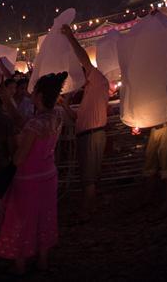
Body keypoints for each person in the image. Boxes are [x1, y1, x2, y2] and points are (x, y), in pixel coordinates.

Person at [0, 72, 68, 275]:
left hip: (28, 180)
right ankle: (43, 260)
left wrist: (10, 151)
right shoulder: (56, 115)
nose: (31, 93)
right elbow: (21, 120)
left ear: (40, 95)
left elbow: (19, 158)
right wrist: (6, 99)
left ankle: (20, 265)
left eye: (34, 91)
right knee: (45, 216)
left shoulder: (35, 124)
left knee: (21, 220)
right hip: (48, 175)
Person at [60, 24, 110, 213]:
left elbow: (83, 58)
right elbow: (79, 117)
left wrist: (70, 37)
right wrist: (65, 105)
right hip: (86, 134)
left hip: (92, 135)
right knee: (87, 176)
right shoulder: (90, 89)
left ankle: (87, 211)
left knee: (89, 176)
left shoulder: (98, 80)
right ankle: (90, 207)